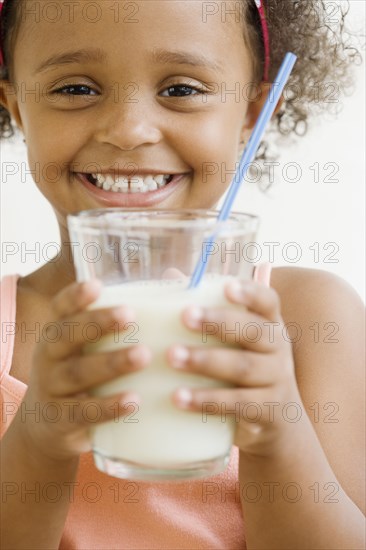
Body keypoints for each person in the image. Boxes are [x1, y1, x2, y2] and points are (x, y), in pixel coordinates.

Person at [0, 1, 364, 548]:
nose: (128, 130)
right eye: (75, 89)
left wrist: (278, 434)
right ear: (17, 108)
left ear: (251, 113)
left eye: (181, 90)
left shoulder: (310, 317)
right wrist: (38, 440)